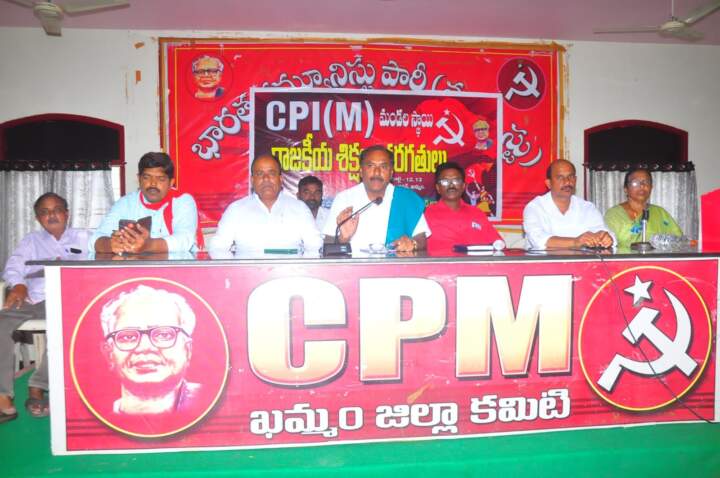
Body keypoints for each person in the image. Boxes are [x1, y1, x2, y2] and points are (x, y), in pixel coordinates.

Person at [0, 193, 90, 423]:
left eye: (57, 209)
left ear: (67, 213)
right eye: (44, 212)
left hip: (70, 300)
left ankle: (38, 387)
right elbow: (13, 266)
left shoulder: (85, 238)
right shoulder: (31, 241)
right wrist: (18, 284)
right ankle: (3, 397)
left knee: (67, 326)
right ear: (38, 218)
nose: (51, 215)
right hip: (34, 298)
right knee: (2, 323)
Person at [100, 285, 200, 415]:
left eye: (163, 335)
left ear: (187, 350)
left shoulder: (209, 402)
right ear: (109, 354)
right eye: (128, 337)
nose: (144, 347)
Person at [323, 145, 430, 252]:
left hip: (395, 262)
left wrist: (412, 244)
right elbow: (327, 243)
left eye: (383, 167)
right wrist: (343, 239)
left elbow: (421, 240)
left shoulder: (406, 199)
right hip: (354, 262)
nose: (377, 172)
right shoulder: (344, 199)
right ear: (361, 171)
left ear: (391, 173)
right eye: (370, 166)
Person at [210, 154, 323, 254]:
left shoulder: (299, 208)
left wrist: (299, 269)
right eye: (260, 174)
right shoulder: (236, 209)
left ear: (280, 179)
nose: (266, 178)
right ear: (252, 180)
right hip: (246, 271)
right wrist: (236, 270)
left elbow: (315, 246)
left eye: (271, 173)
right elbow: (217, 248)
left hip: (291, 271)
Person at [91, 152, 201, 255]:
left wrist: (149, 245)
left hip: (177, 267)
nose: (153, 183)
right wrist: (110, 244)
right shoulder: (125, 203)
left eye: (160, 179)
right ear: (139, 179)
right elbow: (94, 240)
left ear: (171, 182)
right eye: (146, 177)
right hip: (135, 268)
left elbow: (185, 240)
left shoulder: (182, 201)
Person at [523, 159, 615, 250]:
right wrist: (575, 242)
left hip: (582, 260)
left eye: (571, 177)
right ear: (549, 183)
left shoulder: (587, 208)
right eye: (560, 178)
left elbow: (607, 233)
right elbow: (537, 240)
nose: (567, 182)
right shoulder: (535, 207)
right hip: (544, 260)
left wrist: (605, 237)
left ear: (575, 180)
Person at [425, 162, 502, 254]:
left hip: (475, 263)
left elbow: (498, 244)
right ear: (438, 188)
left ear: (463, 186)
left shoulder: (477, 213)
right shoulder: (426, 214)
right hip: (439, 263)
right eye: (445, 181)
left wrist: (498, 245)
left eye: (456, 181)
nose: (451, 185)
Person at [604, 168, 683, 249]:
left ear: (651, 187)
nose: (642, 186)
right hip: (623, 257)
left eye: (646, 182)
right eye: (635, 183)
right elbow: (606, 243)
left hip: (658, 257)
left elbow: (679, 241)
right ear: (626, 189)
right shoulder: (613, 214)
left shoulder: (660, 213)